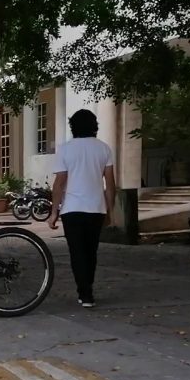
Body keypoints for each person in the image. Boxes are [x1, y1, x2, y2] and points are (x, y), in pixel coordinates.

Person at [48, 109, 115, 309]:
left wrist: (54, 212)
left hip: (72, 209)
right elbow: (110, 185)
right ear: (94, 126)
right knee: (91, 251)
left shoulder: (66, 149)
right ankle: (88, 290)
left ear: (73, 126)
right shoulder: (104, 149)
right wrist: (111, 211)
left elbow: (59, 184)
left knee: (77, 252)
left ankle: (84, 293)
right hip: (96, 208)